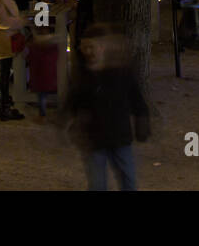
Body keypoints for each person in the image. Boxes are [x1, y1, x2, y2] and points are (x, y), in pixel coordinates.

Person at [64, 25, 150, 191]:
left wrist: (142, 122)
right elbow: (73, 102)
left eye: (92, 47)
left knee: (128, 180)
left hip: (119, 136)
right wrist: (68, 122)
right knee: (97, 184)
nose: (88, 51)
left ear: (102, 47)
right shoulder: (83, 75)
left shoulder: (120, 73)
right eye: (85, 47)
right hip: (93, 139)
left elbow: (136, 100)